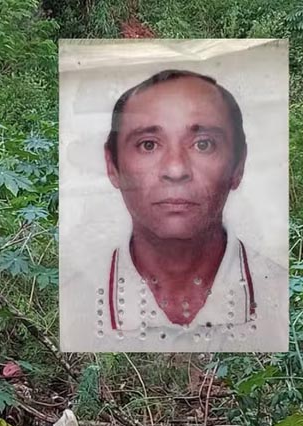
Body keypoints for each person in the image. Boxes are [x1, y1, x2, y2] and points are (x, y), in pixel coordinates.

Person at [93, 69, 285, 348]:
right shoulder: (73, 301)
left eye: (203, 144)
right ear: (113, 166)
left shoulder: (284, 295)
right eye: (148, 145)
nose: (175, 169)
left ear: (238, 165)